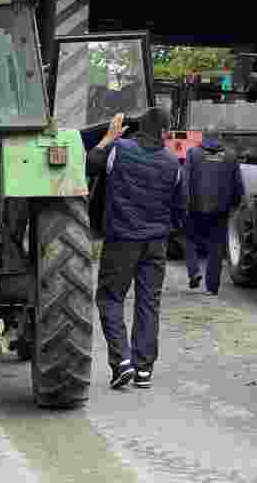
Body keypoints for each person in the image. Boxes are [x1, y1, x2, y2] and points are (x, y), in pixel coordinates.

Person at [87, 107, 185, 390]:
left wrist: (108, 136)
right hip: (156, 243)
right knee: (148, 303)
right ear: (164, 132)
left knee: (110, 298)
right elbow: (180, 209)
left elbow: (89, 164)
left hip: (122, 239)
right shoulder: (172, 163)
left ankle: (122, 362)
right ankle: (144, 369)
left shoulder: (120, 149)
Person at [184, 125, 244, 295]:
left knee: (189, 239)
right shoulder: (231, 156)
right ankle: (212, 288)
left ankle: (194, 271)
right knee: (216, 248)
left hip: (196, 208)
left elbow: (186, 181)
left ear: (203, 136)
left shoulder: (193, 154)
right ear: (220, 137)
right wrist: (235, 204)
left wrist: (185, 204)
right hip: (220, 210)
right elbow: (238, 184)